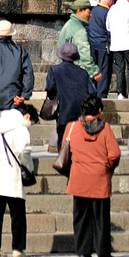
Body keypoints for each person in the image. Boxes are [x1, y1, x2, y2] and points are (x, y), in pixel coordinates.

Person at [0, 102, 39, 257]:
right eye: (32, 123)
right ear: (28, 116)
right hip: (12, 177)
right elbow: (24, 152)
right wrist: (30, 168)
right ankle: (18, 249)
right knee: (18, 215)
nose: (30, 126)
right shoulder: (21, 129)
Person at [63, 93, 121, 257]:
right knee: (101, 221)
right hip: (99, 180)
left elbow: (65, 153)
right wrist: (106, 166)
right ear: (100, 111)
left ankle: (83, 252)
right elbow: (115, 154)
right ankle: (102, 252)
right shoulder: (106, 128)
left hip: (79, 179)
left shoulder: (72, 127)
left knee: (81, 219)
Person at [45, 42, 96, 149]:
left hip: (63, 112)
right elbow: (92, 92)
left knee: (63, 144)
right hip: (81, 115)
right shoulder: (83, 73)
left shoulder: (54, 70)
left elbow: (50, 89)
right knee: (79, 146)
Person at [59, 0, 100, 83]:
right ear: (79, 11)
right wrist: (94, 71)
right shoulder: (79, 30)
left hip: (66, 70)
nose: (91, 15)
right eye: (89, 12)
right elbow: (84, 54)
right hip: (77, 73)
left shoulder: (69, 24)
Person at [88, 0, 114, 99]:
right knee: (104, 69)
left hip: (92, 42)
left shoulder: (93, 11)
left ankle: (92, 91)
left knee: (93, 68)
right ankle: (101, 93)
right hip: (103, 44)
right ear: (110, 2)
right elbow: (109, 30)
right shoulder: (108, 13)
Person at [106, 0, 129, 99]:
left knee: (119, 69)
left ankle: (121, 93)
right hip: (128, 43)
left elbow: (108, 27)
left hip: (116, 44)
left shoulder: (112, 9)